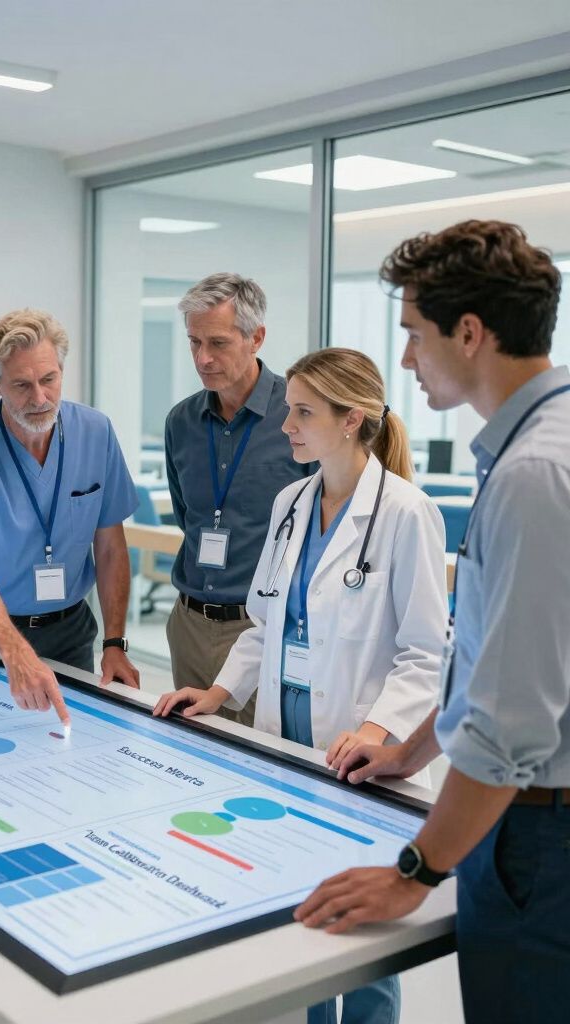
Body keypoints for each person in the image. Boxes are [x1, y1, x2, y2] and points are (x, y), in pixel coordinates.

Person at [295, 221, 569, 1024]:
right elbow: (493, 659)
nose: (407, 358)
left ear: (471, 333)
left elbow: (512, 719)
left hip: (539, 842)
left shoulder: (533, 476)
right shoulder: (538, 449)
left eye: (415, 334)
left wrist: (414, 871)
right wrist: (409, 750)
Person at [154, 347, 447, 1024]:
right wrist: (220, 695)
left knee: (367, 940)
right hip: (288, 747)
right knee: (306, 917)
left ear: (351, 421)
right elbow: (263, 625)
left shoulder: (406, 513)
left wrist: (376, 734)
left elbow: (426, 654)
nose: (287, 424)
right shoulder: (292, 502)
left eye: (304, 412)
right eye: (290, 410)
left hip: (364, 755)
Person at [0, 308, 140, 724]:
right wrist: (16, 655)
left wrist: (115, 642)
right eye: (22, 386)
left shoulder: (95, 432)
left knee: (73, 756)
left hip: (70, 633)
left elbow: (110, 548)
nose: (40, 398)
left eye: (48, 380)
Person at [164, 274, 307, 726]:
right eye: (194, 342)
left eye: (218, 343)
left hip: (260, 630)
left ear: (256, 337)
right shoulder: (181, 422)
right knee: (189, 759)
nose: (203, 358)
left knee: (252, 767)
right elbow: (187, 516)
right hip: (188, 624)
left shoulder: (299, 416)